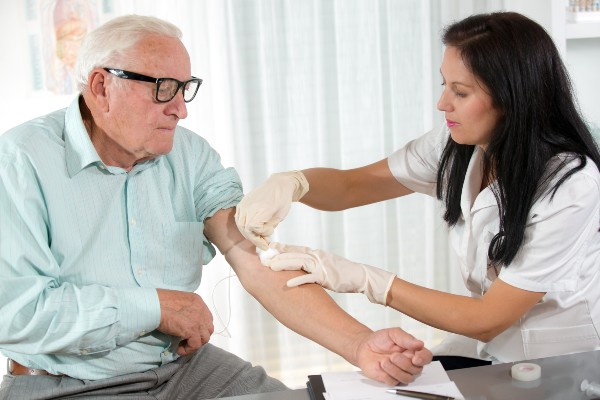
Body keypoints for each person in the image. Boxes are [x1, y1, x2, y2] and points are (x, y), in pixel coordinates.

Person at [0, 15, 432, 400]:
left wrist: (359, 344)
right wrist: (155, 307)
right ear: (101, 87)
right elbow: (14, 312)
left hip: (184, 372)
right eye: (162, 89)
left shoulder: (189, 156)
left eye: (185, 89)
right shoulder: (20, 162)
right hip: (63, 383)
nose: (181, 109)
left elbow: (256, 262)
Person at [235, 11, 600, 370]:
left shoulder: (570, 184)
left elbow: (489, 317)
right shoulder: (457, 144)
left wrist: (368, 280)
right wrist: (295, 183)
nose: (443, 103)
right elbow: (350, 187)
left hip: (561, 361)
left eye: (460, 91)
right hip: (493, 347)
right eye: (445, 85)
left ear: (512, 97)